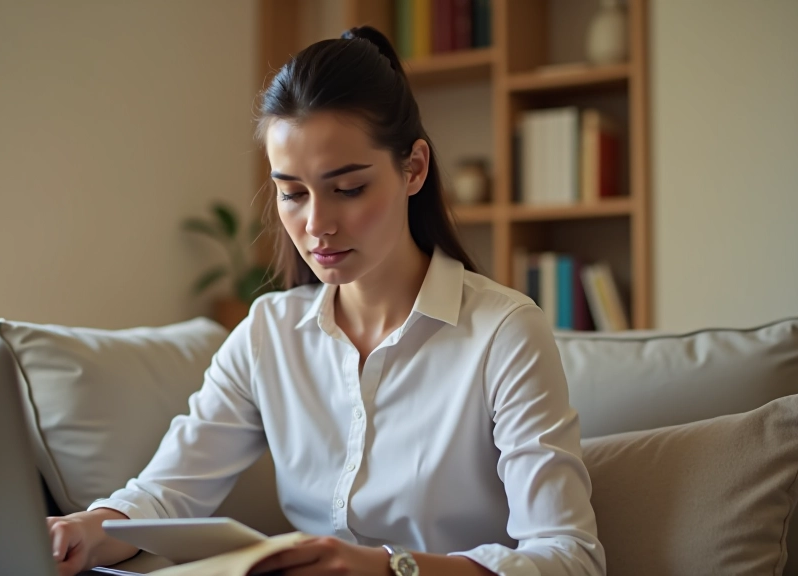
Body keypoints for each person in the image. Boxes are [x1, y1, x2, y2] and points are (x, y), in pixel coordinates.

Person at [47, 26, 606, 576]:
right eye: (292, 193)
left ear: (413, 168)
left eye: (349, 188)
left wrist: (391, 569)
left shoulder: (503, 332)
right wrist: (86, 531)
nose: (316, 225)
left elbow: (568, 557)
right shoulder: (269, 333)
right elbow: (164, 495)